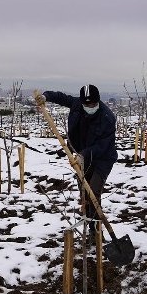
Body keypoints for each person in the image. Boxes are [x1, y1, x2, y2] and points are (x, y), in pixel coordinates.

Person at [36, 84, 118, 233]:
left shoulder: (107, 118)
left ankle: (96, 230)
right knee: (84, 192)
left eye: (93, 104)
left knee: (93, 191)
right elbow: (61, 97)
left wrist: (83, 154)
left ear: (98, 102)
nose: (90, 106)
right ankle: (88, 221)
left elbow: (103, 146)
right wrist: (46, 96)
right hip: (82, 156)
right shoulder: (77, 105)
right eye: (86, 104)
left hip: (103, 159)